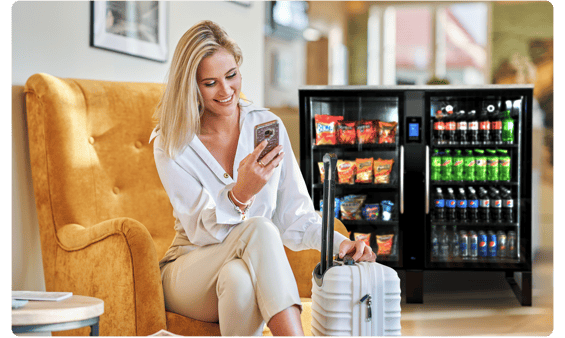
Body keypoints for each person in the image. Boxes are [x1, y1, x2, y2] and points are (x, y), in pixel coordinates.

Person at [150, 20, 376, 337]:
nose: (227, 90)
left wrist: (341, 245)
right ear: (191, 86)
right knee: (258, 226)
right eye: (210, 83)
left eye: (231, 76)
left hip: (240, 269)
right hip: (188, 271)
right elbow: (200, 233)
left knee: (239, 279)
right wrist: (240, 194)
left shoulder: (266, 125)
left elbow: (295, 217)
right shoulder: (172, 142)